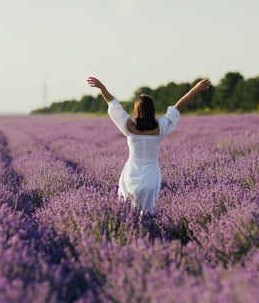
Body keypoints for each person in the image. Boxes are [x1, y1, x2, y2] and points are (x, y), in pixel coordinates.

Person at [87, 76, 211, 214]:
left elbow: (114, 105)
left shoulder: (130, 128)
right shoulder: (159, 129)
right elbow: (178, 107)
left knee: (128, 211)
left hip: (131, 174)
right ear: (152, 110)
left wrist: (102, 88)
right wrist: (196, 89)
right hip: (151, 175)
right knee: (149, 211)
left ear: (136, 111)